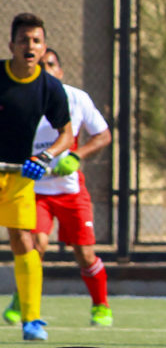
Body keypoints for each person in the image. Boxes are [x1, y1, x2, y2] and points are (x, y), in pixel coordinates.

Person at [2, 47, 113, 328]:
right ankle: (23, 301)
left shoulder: (77, 98)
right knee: (34, 245)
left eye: (51, 64)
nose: (47, 69)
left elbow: (103, 135)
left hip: (69, 190)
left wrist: (77, 155)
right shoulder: (23, 99)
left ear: (60, 72)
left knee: (84, 253)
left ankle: (101, 305)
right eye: (42, 65)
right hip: (35, 190)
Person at [0, 13, 73, 341]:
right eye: (24, 40)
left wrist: (44, 158)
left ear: (43, 49)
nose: (30, 46)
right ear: (11, 45)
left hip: (19, 178)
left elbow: (66, 136)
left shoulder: (49, 87)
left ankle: (31, 320)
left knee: (23, 240)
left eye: (37, 41)